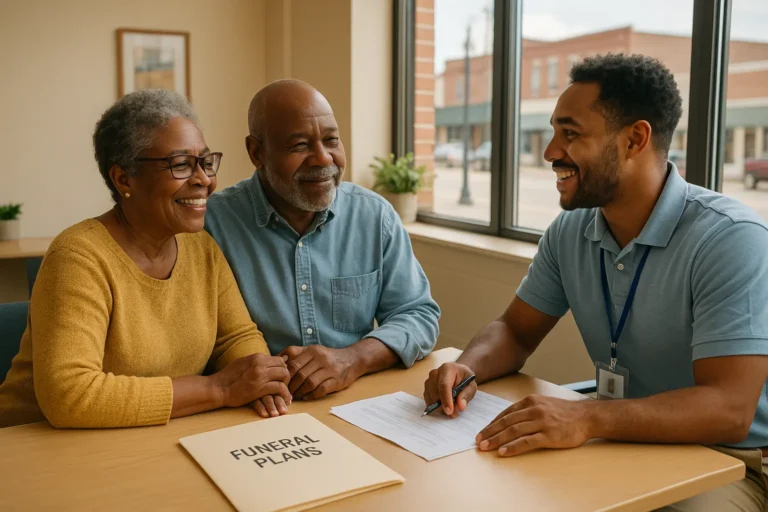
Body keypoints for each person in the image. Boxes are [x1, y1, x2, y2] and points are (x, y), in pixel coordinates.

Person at [423, 54, 768, 511]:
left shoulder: (730, 239)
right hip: (619, 434)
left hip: (731, 457)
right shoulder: (571, 230)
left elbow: (728, 410)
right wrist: (468, 367)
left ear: (635, 139)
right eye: (553, 132)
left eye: (570, 134)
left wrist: (586, 418)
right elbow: (515, 329)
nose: (549, 151)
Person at [0, 89, 291, 429]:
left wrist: (260, 382)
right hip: (35, 449)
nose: (205, 180)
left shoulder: (201, 248)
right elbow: (70, 395)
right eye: (181, 164)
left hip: (147, 438)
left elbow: (236, 337)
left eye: (206, 162)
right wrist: (219, 388)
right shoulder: (78, 257)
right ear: (124, 179)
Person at [205, 80, 440, 406]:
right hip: (255, 412)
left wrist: (353, 359)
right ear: (257, 153)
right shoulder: (211, 226)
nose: (322, 158)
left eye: (331, 140)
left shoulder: (374, 217)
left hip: (355, 402)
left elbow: (417, 314)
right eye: (300, 146)